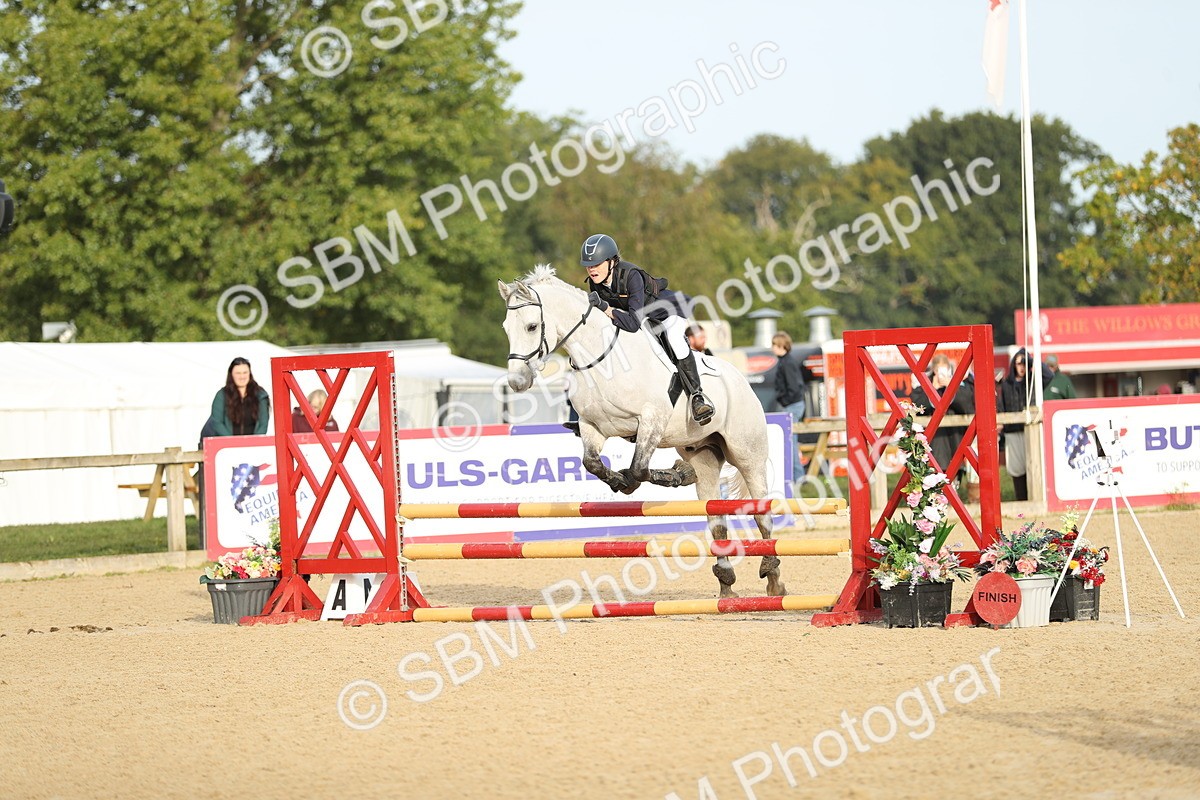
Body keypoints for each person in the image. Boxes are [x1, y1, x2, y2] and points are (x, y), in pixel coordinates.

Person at [580, 233, 714, 424]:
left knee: (675, 340)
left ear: (611, 262)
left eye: (596, 264)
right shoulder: (596, 283)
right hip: (642, 320)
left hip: (667, 312)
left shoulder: (631, 276)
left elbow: (632, 323)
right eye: (588, 265)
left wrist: (605, 307)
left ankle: (697, 397)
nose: (591, 269)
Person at [909, 354, 975, 491]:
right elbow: (917, 405)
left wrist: (950, 386)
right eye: (939, 371)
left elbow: (967, 405)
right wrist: (932, 389)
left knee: (952, 481)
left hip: (954, 442)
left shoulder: (957, 384)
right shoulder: (923, 385)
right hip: (933, 444)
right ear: (933, 371)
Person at [997, 348, 1034, 501]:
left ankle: (1032, 499)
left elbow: (1048, 376)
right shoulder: (1006, 385)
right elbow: (1002, 407)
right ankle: (1021, 500)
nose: (1021, 367)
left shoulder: (1032, 382)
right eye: (1019, 363)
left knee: (1032, 467)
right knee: (1016, 469)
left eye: (1024, 363)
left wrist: (1030, 359)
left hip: (1030, 431)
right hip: (1012, 432)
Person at [771, 331, 807, 481]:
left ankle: (798, 478)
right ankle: (796, 476)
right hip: (792, 404)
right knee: (789, 441)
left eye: (774, 344)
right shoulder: (785, 361)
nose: (772, 348)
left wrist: (784, 400)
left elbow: (793, 387)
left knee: (790, 442)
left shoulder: (787, 363)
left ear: (780, 345)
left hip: (793, 404)